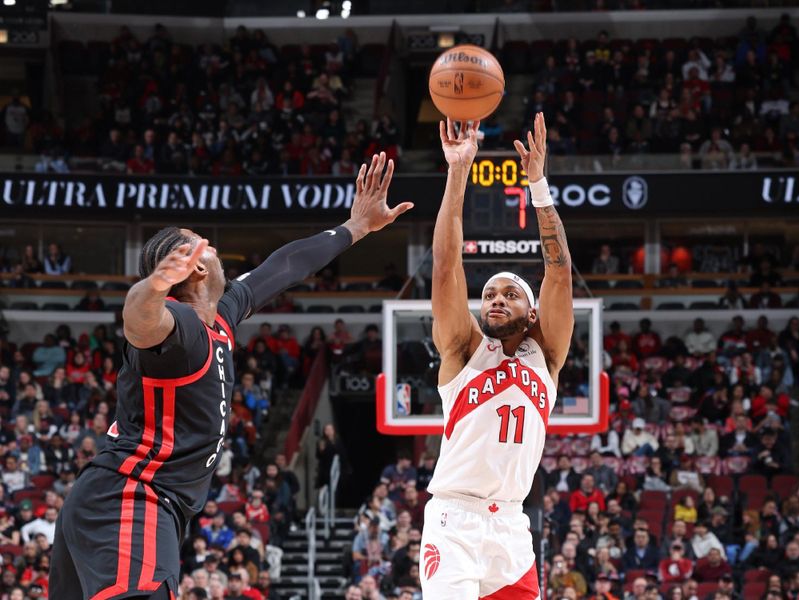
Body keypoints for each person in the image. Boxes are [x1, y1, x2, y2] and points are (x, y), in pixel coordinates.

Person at [48, 152, 413, 599]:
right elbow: (139, 323)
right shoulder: (180, 328)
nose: (220, 253)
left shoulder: (221, 314)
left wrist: (357, 226)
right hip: (130, 497)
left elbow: (283, 268)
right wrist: (155, 285)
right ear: (196, 267)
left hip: (121, 501)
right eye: (209, 245)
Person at [420, 115, 573, 597]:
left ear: (531, 313)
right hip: (454, 519)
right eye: (489, 294)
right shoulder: (464, 350)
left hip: (510, 526)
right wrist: (458, 171)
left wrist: (538, 185)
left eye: (510, 294)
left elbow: (560, 271)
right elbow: (446, 268)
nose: (496, 300)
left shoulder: (544, 358)